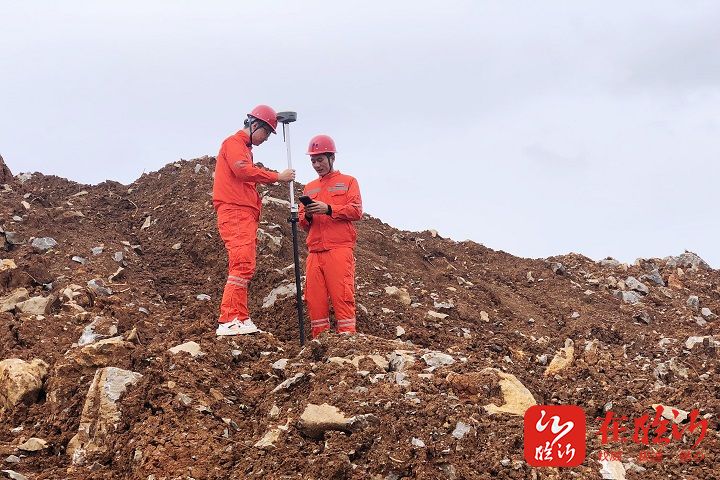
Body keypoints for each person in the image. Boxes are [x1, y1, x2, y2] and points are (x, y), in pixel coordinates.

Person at [213, 104, 295, 336]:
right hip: (236, 212)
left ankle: (240, 316)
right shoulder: (234, 144)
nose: (267, 138)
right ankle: (228, 319)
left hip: (243, 213)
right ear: (254, 125)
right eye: (267, 132)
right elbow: (242, 171)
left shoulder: (243, 147)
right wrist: (277, 177)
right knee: (241, 264)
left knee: (244, 265)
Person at [299, 134, 362, 337]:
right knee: (314, 300)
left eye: (320, 160)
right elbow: (302, 222)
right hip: (315, 252)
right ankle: (320, 343)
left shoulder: (348, 182)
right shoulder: (309, 188)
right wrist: (307, 214)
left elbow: (356, 211)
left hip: (339, 249)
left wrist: (329, 209)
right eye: (313, 161)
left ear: (331, 158)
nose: (317, 165)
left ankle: (347, 341)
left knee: (343, 297)